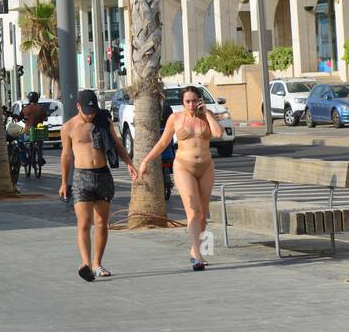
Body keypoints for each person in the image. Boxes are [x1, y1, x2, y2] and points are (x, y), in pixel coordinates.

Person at [137, 85, 223, 271]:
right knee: (193, 211)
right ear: (182, 102)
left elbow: (218, 133)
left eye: (194, 101)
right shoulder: (175, 118)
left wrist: (207, 113)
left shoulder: (207, 117)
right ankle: (198, 258)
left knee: (203, 215)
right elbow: (162, 143)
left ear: (200, 100)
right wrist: (146, 161)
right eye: (187, 101)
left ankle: (196, 250)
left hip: (206, 167)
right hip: (184, 167)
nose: (191, 105)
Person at [60, 90, 137, 281]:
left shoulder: (103, 121)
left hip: (103, 174)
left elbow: (117, 144)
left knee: (102, 222)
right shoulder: (68, 127)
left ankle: (97, 264)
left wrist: (129, 163)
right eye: (87, 111)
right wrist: (63, 182)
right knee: (84, 222)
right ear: (78, 106)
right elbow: (66, 156)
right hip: (81, 177)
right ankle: (86, 264)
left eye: (93, 111)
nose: (90, 115)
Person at [21, 91, 47, 166]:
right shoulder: (41, 108)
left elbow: (20, 117)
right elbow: (45, 118)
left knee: (20, 141)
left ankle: (23, 160)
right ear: (37, 99)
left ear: (29, 99)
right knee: (41, 143)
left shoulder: (25, 108)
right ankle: (40, 156)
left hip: (28, 131)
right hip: (39, 131)